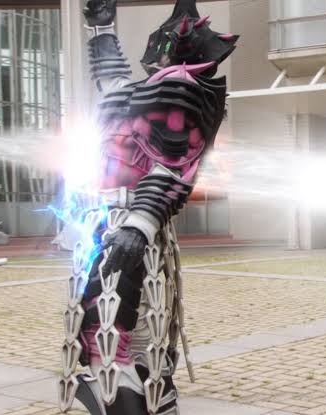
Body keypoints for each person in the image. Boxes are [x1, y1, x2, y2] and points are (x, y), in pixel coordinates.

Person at [58, 1, 237, 414]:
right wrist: (102, 28)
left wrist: (138, 226)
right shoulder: (151, 89)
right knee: (124, 334)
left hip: (130, 223)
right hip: (111, 221)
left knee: (114, 332)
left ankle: (136, 403)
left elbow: (172, 164)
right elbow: (113, 82)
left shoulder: (180, 87)